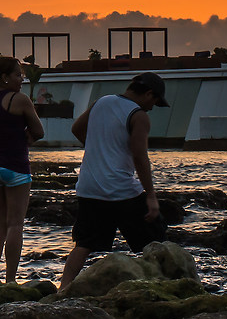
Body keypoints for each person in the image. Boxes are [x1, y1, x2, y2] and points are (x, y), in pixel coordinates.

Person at [60, 71, 167, 288]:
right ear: (148, 94)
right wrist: (152, 197)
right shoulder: (139, 116)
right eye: (155, 101)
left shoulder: (102, 101)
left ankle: (62, 289)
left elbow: (76, 129)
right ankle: (161, 284)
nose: (153, 107)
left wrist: (99, 149)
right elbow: (140, 157)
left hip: (89, 188)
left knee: (84, 244)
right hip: (120, 189)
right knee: (154, 238)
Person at [0, 55, 43, 288]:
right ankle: (10, 280)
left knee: (0, 224)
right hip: (15, 166)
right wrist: (27, 138)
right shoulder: (20, 100)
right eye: (18, 75)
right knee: (16, 224)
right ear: (5, 77)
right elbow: (39, 130)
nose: (21, 80)